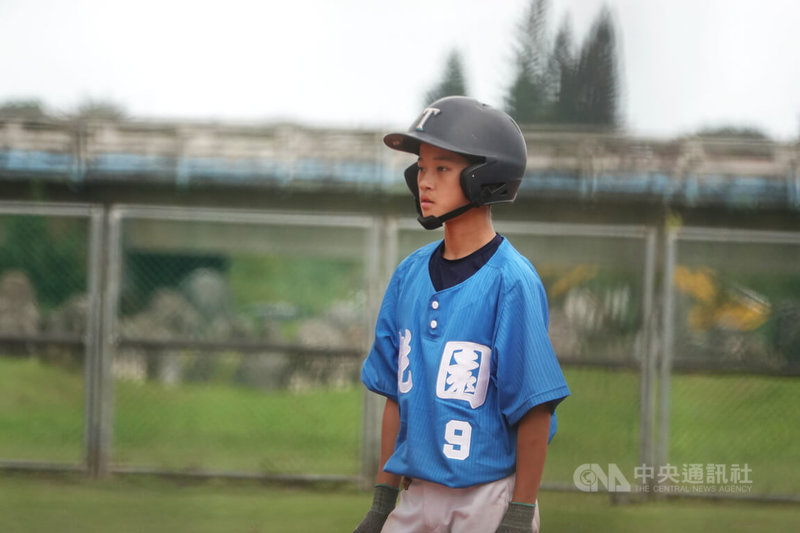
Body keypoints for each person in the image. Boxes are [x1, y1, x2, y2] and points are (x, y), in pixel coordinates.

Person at [354, 96, 570, 533]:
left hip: (486, 499)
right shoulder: (409, 275)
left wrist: (521, 511)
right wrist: (382, 502)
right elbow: (396, 396)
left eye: (443, 168)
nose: (424, 182)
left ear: (484, 178)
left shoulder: (511, 281)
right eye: (421, 167)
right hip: (417, 495)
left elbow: (535, 411)